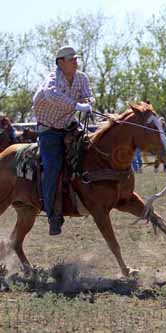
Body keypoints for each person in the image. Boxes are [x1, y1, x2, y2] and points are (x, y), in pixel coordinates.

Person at [32, 46, 94, 235]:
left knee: (92, 150)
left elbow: (89, 95)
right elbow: (51, 94)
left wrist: (89, 104)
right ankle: (53, 215)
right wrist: (77, 105)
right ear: (61, 62)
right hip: (48, 130)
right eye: (71, 59)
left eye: (76, 59)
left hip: (69, 124)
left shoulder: (81, 78)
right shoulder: (52, 79)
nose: (76, 62)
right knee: (52, 167)